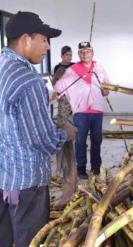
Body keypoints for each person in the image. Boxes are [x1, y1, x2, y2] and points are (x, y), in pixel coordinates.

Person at [0, 11, 77, 247]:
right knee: (30, 240)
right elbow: (43, 140)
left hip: (3, 177)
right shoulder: (28, 80)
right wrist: (66, 134)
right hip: (27, 183)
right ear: (26, 39)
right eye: (43, 40)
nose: (47, 47)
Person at [54, 41, 110, 179]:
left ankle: (96, 166)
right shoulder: (72, 70)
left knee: (97, 139)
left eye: (88, 51)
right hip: (80, 112)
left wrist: (105, 90)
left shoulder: (99, 68)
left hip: (97, 110)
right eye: (82, 52)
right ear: (79, 54)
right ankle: (81, 168)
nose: (85, 54)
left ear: (92, 53)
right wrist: (55, 86)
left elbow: (107, 88)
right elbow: (59, 88)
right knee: (80, 141)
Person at [53, 45, 77, 206]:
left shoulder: (75, 66)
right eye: (66, 55)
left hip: (74, 99)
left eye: (70, 55)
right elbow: (55, 84)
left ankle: (72, 144)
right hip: (63, 102)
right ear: (62, 56)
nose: (68, 57)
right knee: (63, 125)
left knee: (73, 127)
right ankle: (64, 162)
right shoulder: (58, 67)